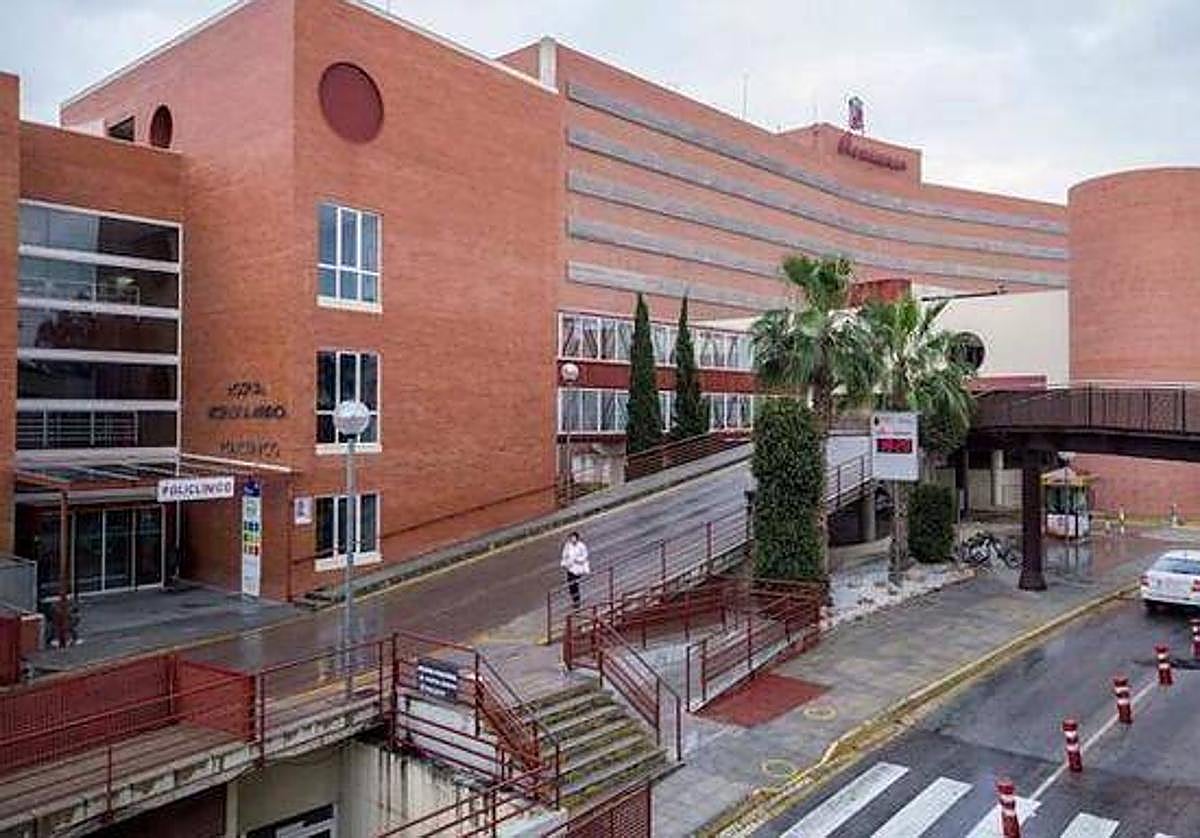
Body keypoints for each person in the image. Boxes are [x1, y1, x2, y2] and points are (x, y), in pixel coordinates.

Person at [560, 531, 590, 609]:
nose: (572, 539)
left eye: (573, 537)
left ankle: (577, 601)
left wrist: (578, 560)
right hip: (570, 568)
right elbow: (564, 555)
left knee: (575, 584)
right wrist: (564, 563)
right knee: (571, 585)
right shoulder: (567, 546)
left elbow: (585, 555)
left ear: (577, 538)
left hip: (578, 568)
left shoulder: (581, 546)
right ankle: (574, 599)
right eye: (571, 538)